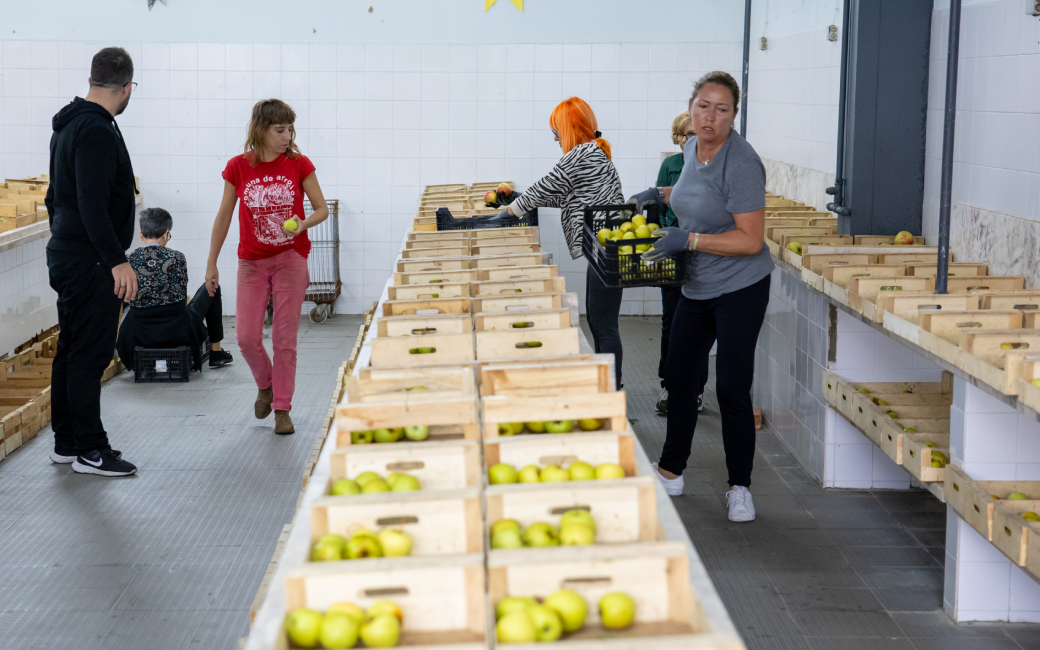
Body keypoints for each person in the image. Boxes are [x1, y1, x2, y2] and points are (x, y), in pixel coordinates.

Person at [636, 71, 773, 522]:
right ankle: (671, 471)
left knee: (732, 386)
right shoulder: (693, 148)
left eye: (722, 109)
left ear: (735, 115)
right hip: (697, 285)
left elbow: (751, 239)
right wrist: (660, 193)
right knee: (680, 377)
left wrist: (689, 241)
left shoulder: (743, 162)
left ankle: (740, 487)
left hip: (740, 286)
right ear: (690, 106)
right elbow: (697, 194)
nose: (710, 117)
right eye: (703, 106)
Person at [206, 99, 329, 435]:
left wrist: (302, 225)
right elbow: (224, 215)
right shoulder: (238, 167)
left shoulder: (299, 164)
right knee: (246, 337)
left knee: (284, 338)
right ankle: (266, 385)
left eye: (290, 128)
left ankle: (282, 409)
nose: (287, 135)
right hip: (252, 263)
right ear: (260, 129)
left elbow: (321, 209)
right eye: (280, 129)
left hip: (291, 259)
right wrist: (211, 262)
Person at [45, 47, 139, 477]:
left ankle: (67, 442)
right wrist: (116, 260)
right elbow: (92, 203)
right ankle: (90, 450)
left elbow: (56, 198)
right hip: (91, 261)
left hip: (70, 252)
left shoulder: (68, 124)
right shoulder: (97, 130)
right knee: (89, 354)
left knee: (71, 350)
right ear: (126, 87)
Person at [498, 97, 626, 388]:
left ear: (569, 128)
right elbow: (566, 196)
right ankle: (608, 384)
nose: (555, 138)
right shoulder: (593, 153)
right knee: (599, 323)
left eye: (556, 131)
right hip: (606, 249)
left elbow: (544, 187)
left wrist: (506, 214)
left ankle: (612, 389)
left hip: (606, 250)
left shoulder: (581, 154)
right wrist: (517, 201)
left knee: (604, 326)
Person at [116, 208, 234, 371]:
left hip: (138, 331)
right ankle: (216, 352)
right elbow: (180, 293)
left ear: (141, 234)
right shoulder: (177, 257)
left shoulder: (129, 259)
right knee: (213, 286)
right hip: (177, 330)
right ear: (166, 233)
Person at [654, 112, 710, 417]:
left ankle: (696, 390)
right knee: (671, 322)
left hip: (703, 254)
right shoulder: (670, 167)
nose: (687, 140)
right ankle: (670, 383)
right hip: (675, 254)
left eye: (692, 134)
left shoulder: (710, 167)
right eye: (682, 135)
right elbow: (663, 210)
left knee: (698, 325)